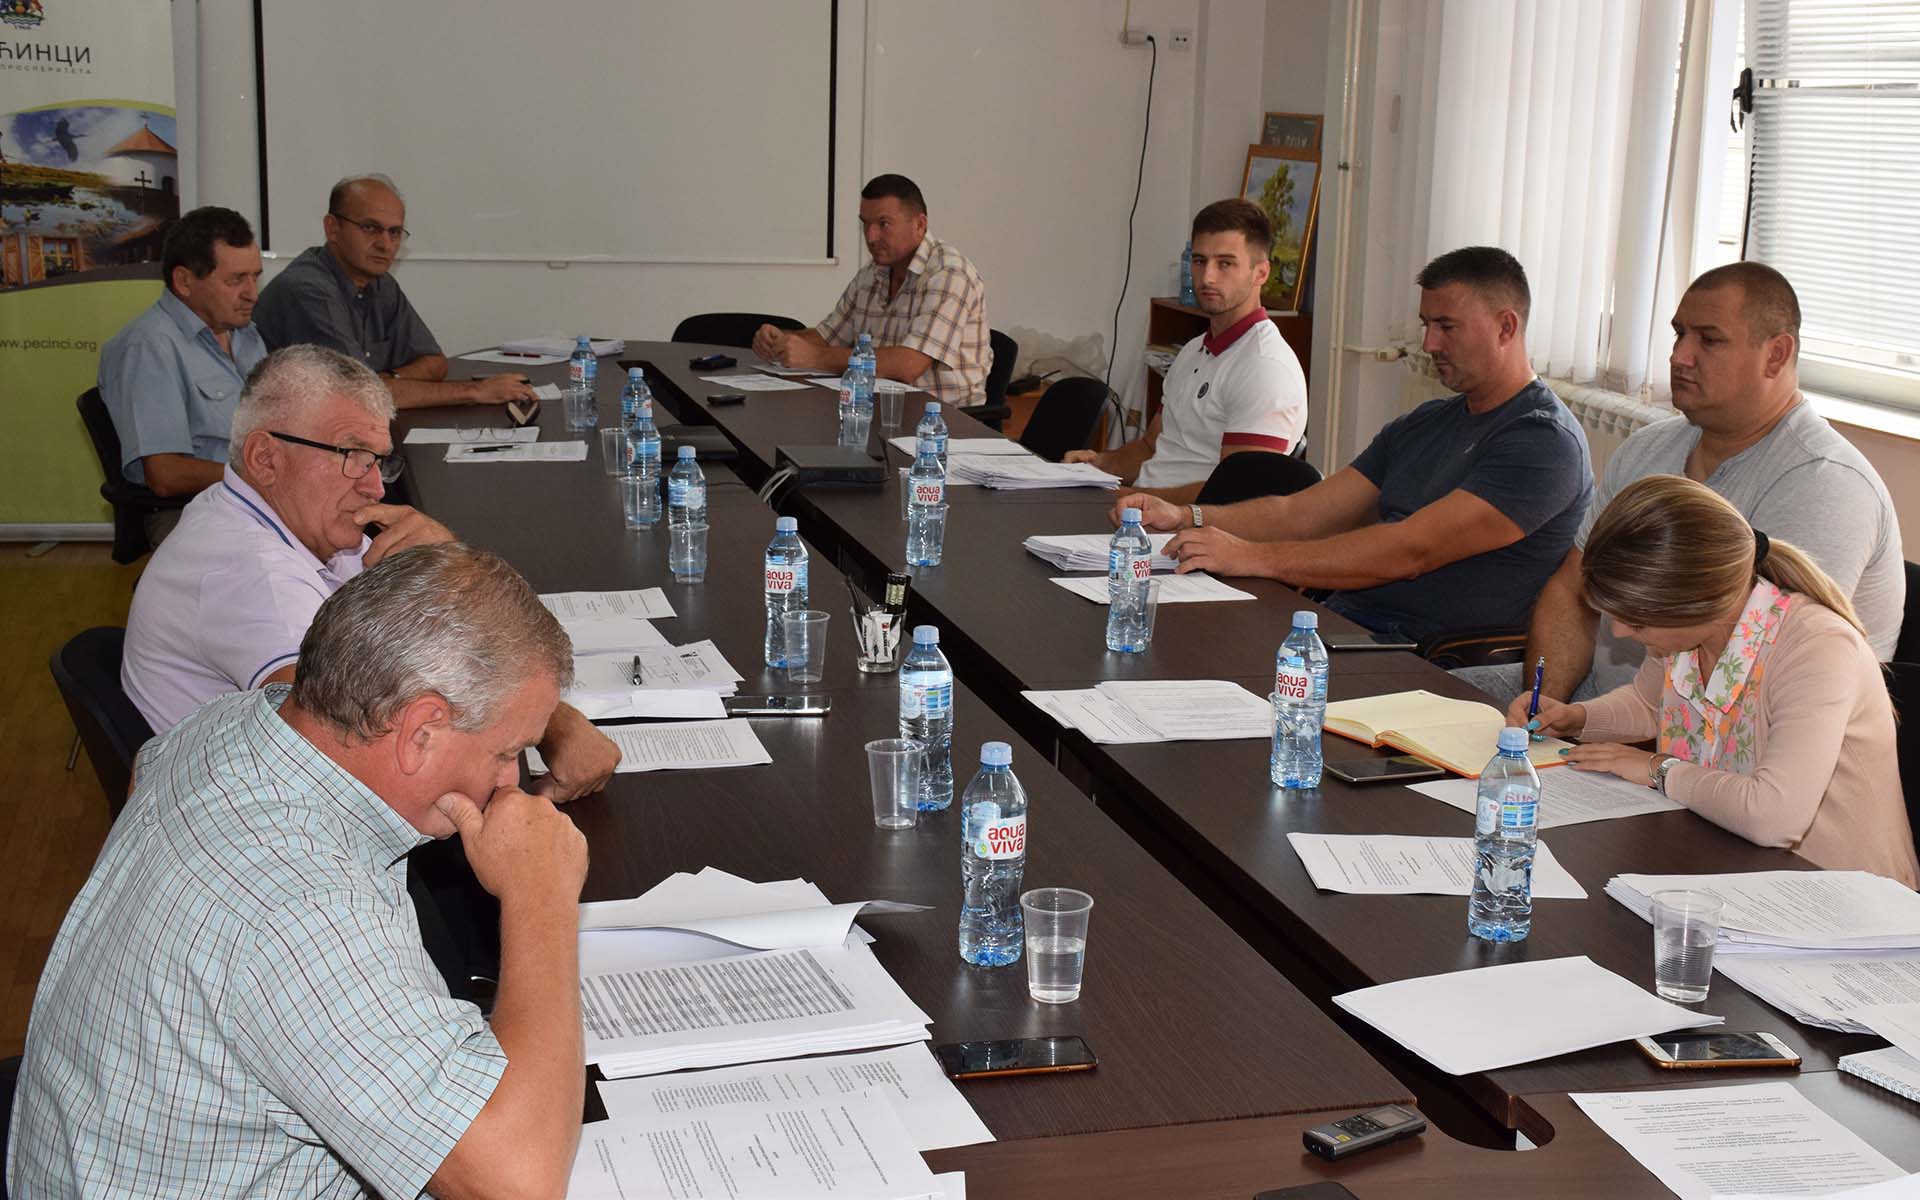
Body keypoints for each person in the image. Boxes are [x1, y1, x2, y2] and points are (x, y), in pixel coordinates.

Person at [10, 544, 589, 1197]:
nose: (512, 782)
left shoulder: (236, 721)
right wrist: (540, 896)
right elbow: (519, 1182)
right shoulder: (301, 909)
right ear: (421, 730)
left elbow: (145, 771)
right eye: (507, 752)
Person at [122, 344, 618, 799]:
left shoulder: (291, 521)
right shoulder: (251, 576)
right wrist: (553, 724)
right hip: (272, 819)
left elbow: (407, 650)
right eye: (351, 456)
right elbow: (358, 740)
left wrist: (445, 568)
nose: (375, 488)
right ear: (265, 458)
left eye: (378, 461)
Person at [1116, 246, 1593, 644]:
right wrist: (1187, 517)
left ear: (1506, 327)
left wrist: (1251, 556)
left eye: (1446, 326)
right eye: (1426, 324)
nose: (1429, 343)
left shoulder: (1542, 443)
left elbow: (1412, 550)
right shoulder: (1425, 423)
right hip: (1346, 628)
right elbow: (1301, 513)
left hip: (1424, 656)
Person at [1493, 261, 1905, 721]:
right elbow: (1573, 589)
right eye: (1679, 334)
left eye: (1709, 340)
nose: (1679, 357)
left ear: (1776, 355)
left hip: (1718, 744)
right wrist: (1541, 713)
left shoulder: (1826, 485)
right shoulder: (1646, 449)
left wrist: (1629, 746)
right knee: (1440, 711)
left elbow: (1757, 675)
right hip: (1597, 709)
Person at [1529, 476, 1916, 887]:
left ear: (1698, 602)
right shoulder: (1689, 631)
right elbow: (1648, 704)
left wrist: (1657, 769)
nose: (1621, 632)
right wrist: (1575, 718)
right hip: (1728, 861)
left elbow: (1774, 816)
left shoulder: (1817, 648)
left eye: (1637, 621)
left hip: (1837, 893)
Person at [1063, 199, 1306, 502]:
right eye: (1200, 261)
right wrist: (1098, 465)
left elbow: (1239, 495)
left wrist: (1125, 496)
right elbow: (1151, 447)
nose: (1207, 277)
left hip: (1190, 524)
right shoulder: (1194, 349)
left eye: (1225, 263)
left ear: (1261, 273)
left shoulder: (1265, 368)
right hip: (1145, 510)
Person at [254, 173, 534, 409]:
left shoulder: (380, 283)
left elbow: (434, 363)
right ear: (332, 228)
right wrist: (474, 391)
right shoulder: (308, 291)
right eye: (370, 228)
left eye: (395, 232)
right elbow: (357, 396)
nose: (385, 245)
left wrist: (388, 380)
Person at [751, 174, 989, 407]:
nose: (871, 236)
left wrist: (814, 357)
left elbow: (908, 365)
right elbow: (828, 336)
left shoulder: (948, 273)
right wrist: (783, 341)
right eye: (865, 223)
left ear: (920, 224)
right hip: (876, 409)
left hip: (943, 421)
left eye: (883, 224)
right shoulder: (872, 272)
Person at [97, 205, 267, 500]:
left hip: (253, 495)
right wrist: (262, 480)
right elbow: (165, 475)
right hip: (195, 506)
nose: (252, 293)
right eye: (236, 279)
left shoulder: (246, 334)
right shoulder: (149, 347)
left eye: (255, 277)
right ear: (184, 282)